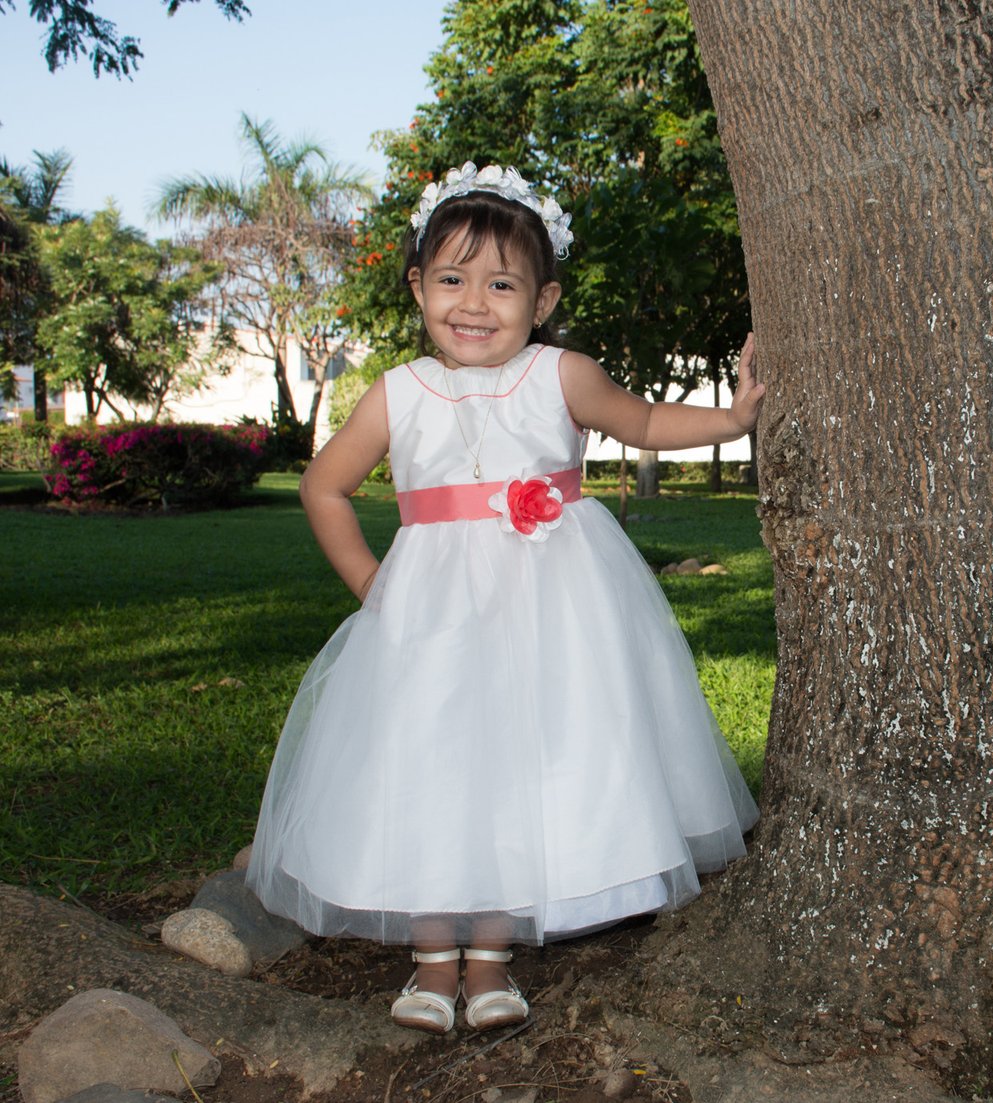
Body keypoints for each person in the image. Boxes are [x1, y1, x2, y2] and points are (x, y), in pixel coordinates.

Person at [246, 161, 762, 1035]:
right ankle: (430, 955)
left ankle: (490, 956)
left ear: (543, 297)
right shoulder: (398, 392)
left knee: (525, 766)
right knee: (431, 764)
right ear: (418, 286)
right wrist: (371, 582)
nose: (475, 304)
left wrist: (732, 420)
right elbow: (322, 487)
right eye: (452, 279)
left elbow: (642, 421)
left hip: (551, 614)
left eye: (502, 284)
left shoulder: (562, 374)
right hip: (433, 623)